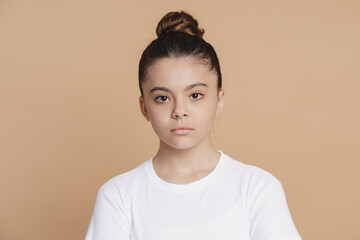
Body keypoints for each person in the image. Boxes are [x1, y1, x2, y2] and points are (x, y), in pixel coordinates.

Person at [85, 11, 302, 240]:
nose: (180, 111)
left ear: (219, 101)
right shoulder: (118, 196)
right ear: (144, 107)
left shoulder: (257, 189)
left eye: (195, 95)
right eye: (162, 97)